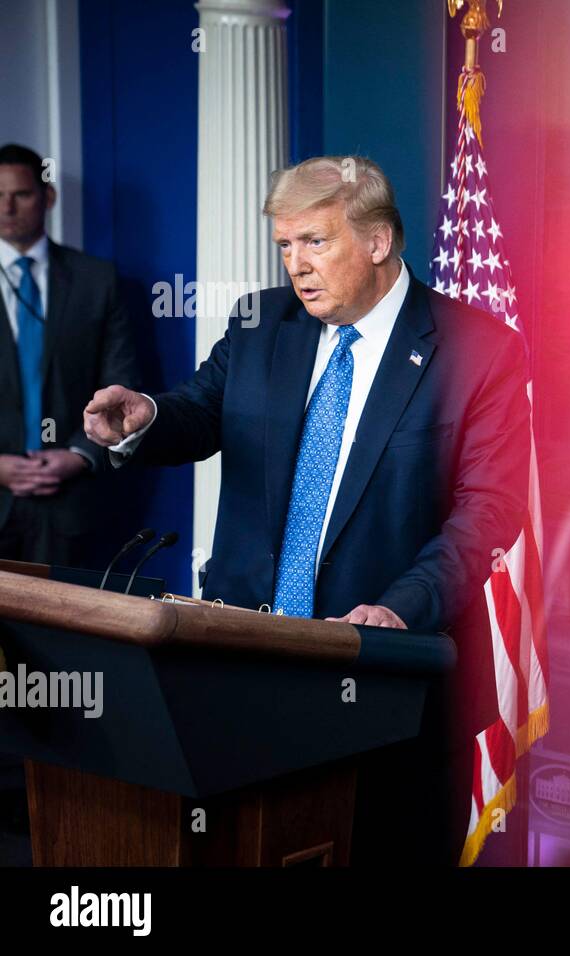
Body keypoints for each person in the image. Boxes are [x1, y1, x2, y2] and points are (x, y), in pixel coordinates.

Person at [82, 155, 532, 865]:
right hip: (244, 665)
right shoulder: (262, 320)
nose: (296, 265)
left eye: (314, 242)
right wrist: (144, 418)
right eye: (285, 246)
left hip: (386, 682)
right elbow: (201, 412)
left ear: (378, 241)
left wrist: (401, 608)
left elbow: (490, 511)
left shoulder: (481, 349)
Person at [0, 143, 139, 566]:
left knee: (62, 631)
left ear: (48, 197)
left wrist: (80, 454)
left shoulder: (98, 281)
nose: (6, 207)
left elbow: (121, 383)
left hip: (72, 505)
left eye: (20, 194)